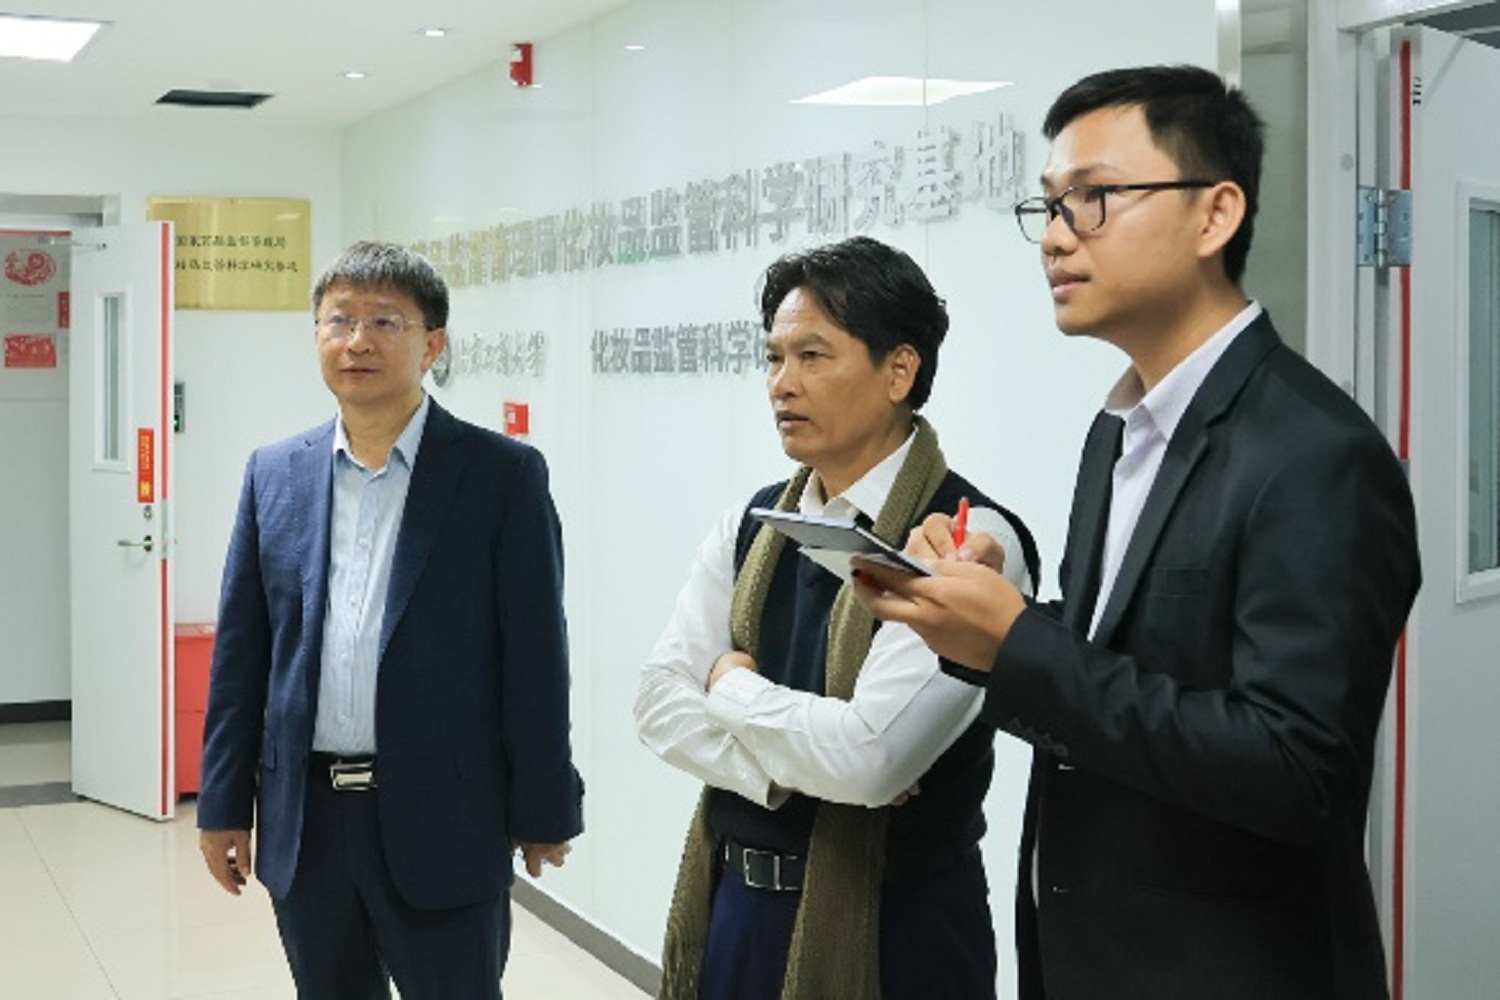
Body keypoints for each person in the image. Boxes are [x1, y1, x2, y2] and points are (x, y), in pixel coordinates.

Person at [853, 66, 1421, 1000]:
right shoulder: (1119, 429)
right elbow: (1127, 662)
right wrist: (982, 622)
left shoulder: (1316, 453)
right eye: (1049, 206)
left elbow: (1296, 773)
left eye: (1095, 198)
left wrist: (1019, 642)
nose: (1056, 236)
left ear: (1215, 214)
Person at [636, 235, 1040, 999]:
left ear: (899, 370)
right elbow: (657, 704)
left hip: (899, 926)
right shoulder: (751, 524)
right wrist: (795, 772)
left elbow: (870, 761)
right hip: (738, 906)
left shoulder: (966, 539)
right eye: (773, 358)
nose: (781, 384)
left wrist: (727, 687)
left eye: (812, 356)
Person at [196, 241, 583, 999]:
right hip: (308, 822)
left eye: (384, 321)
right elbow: (243, 656)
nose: (357, 341)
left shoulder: (500, 475)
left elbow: (536, 657)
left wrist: (544, 806)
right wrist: (222, 803)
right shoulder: (274, 473)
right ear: (316, 335)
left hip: (448, 815)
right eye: (338, 321)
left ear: (432, 345)